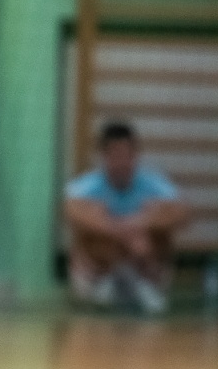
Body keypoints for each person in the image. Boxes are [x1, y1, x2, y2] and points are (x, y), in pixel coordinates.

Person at [63, 122, 190, 314]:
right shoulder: (87, 186)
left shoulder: (154, 184)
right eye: (115, 156)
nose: (122, 162)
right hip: (102, 265)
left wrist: (142, 222)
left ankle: (145, 282)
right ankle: (101, 285)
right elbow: (71, 211)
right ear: (104, 156)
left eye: (127, 155)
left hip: (143, 262)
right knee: (91, 228)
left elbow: (182, 213)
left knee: (158, 224)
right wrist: (117, 229)